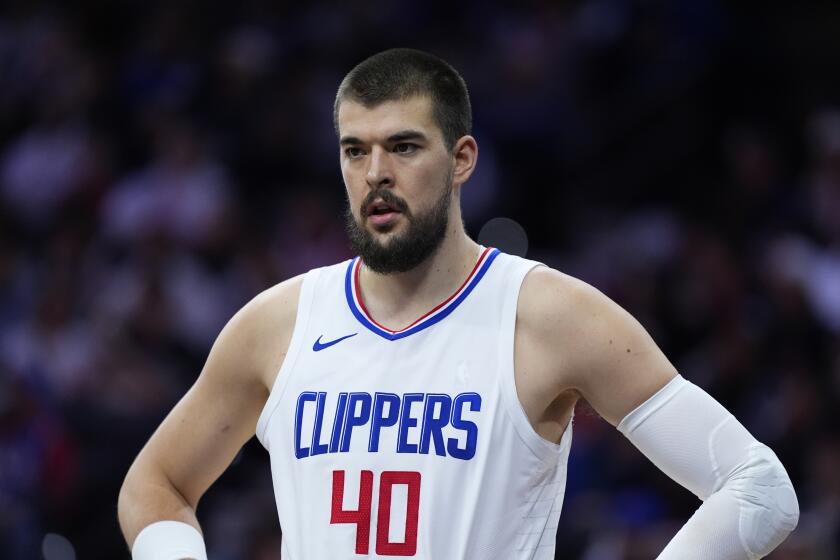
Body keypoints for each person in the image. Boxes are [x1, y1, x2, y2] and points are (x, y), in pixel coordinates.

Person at [118, 48, 800, 559]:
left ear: (463, 158)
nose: (376, 173)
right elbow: (157, 482)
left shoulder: (549, 315)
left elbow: (758, 487)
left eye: (404, 147)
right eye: (355, 151)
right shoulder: (276, 324)